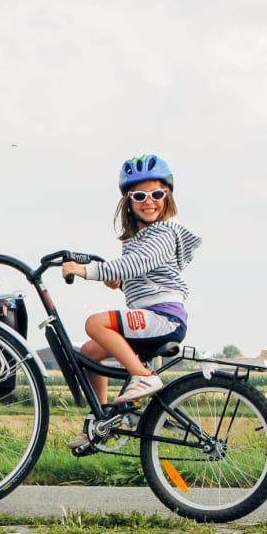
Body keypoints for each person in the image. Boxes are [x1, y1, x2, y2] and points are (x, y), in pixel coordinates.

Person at [62, 154, 201, 444]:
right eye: (139, 195)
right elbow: (138, 274)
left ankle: (142, 376)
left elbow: (136, 265)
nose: (149, 201)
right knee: (90, 352)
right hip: (149, 316)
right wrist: (122, 282)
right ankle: (101, 419)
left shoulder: (162, 234)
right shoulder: (136, 240)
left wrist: (84, 270)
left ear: (168, 196)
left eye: (157, 194)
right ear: (128, 200)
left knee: (95, 323)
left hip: (164, 318)